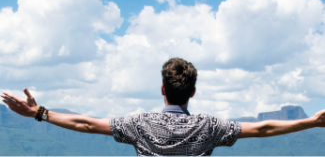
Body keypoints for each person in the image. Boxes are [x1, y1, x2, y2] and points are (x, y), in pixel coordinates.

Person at [1, 57, 325, 156]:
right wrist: (312, 121)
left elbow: (86, 124)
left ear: (162, 90)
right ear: (193, 92)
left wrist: (40, 113)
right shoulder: (209, 127)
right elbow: (263, 127)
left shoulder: (140, 124)